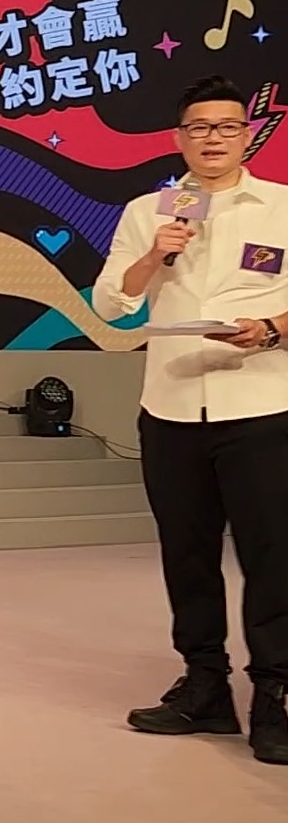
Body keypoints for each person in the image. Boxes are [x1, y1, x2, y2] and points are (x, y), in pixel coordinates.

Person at [91, 75, 288, 766]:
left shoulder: (282, 206)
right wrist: (156, 254)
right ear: (179, 138)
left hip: (261, 406)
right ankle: (204, 686)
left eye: (226, 126)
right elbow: (111, 305)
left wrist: (270, 328)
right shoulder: (148, 211)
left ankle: (275, 694)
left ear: (246, 134)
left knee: (272, 558)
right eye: (198, 127)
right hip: (171, 407)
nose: (212, 138)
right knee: (188, 556)